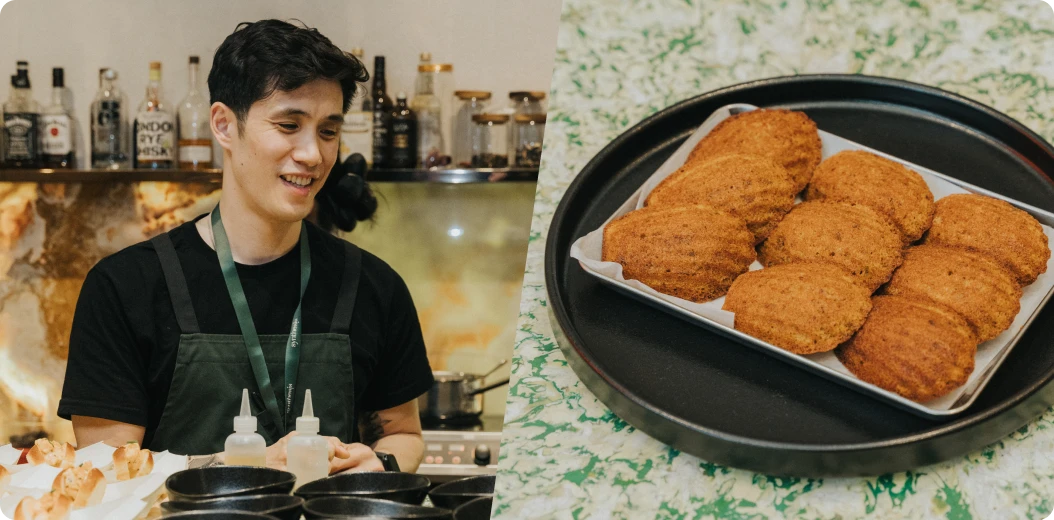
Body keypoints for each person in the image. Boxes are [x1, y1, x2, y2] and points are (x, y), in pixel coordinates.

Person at [57, 19, 434, 474]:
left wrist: (382, 463)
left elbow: (404, 434)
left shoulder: (374, 286)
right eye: (289, 124)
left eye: (328, 132)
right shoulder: (125, 287)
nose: (313, 154)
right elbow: (106, 471)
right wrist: (238, 466)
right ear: (223, 125)